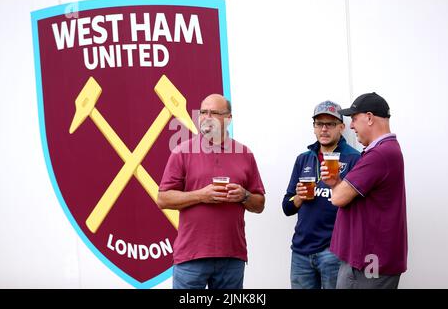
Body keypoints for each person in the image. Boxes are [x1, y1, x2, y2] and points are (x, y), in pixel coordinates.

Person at [157, 93, 266, 289]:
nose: (207, 117)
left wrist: (244, 196)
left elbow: (259, 204)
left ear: (229, 118)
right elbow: (163, 199)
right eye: (203, 112)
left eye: (214, 113)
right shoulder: (182, 151)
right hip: (191, 256)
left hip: (232, 256)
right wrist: (201, 195)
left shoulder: (245, 154)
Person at [321, 92, 408, 289]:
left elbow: (339, 198)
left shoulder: (380, 154)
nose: (351, 126)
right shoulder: (387, 150)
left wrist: (336, 184)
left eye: (354, 118)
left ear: (369, 117)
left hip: (368, 263)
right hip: (370, 261)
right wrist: (337, 181)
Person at [282, 100, 360, 289]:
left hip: (334, 251)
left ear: (341, 127)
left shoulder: (353, 158)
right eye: (319, 124)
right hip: (300, 251)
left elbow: (359, 208)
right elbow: (287, 207)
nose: (324, 129)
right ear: (314, 128)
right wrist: (299, 197)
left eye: (330, 124)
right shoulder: (304, 159)